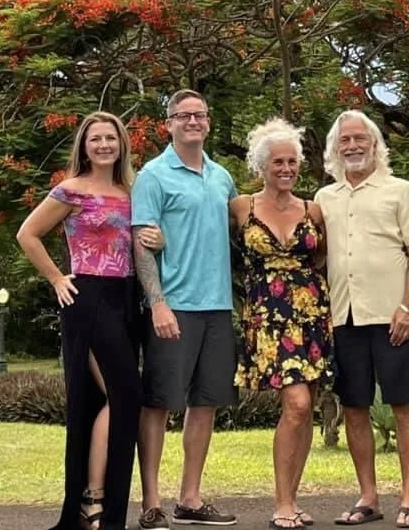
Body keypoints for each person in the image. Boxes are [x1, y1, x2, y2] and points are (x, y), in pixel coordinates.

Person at [17, 111, 163, 530]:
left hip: (127, 297)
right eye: (95, 139)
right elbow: (27, 233)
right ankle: (93, 498)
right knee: (124, 395)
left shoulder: (133, 190)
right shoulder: (71, 190)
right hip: (89, 299)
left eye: (111, 139)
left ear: (122, 145)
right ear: (84, 145)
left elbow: (145, 239)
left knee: (113, 399)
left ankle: (98, 502)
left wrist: (161, 239)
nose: (103, 145)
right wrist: (56, 278)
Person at [315, 110, 409, 529]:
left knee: (404, 406)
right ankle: (368, 497)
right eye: (344, 140)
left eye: (359, 139)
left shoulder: (399, 190)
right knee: (354, 408)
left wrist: (407, 306)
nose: (352, 146)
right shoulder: (324, 198)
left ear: (374, 144)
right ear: (335, 148)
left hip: (394, 317)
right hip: (343, 318)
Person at [131, 89, 238, 529]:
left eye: (200, 115)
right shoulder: (153, 176)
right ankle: (151, 502)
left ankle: (189, 499)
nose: (193, 121)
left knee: (205, 404)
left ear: (208, 122)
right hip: (173, 307)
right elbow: (141, 245)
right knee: (158, 403)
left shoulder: (222, 178)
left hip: (218, 307)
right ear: (169, 123)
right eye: (183, 115)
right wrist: (157, 303)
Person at [230, 117, 334, 530]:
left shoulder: (313, 209)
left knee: (304, 410)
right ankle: (282, 502)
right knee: (297, 405)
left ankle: (292, 498)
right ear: (262, 166)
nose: (286, 168)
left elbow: (326, 257)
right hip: (268, 319)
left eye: (292, 161)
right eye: (278, 162)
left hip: (310, 316)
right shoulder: (241, 207)